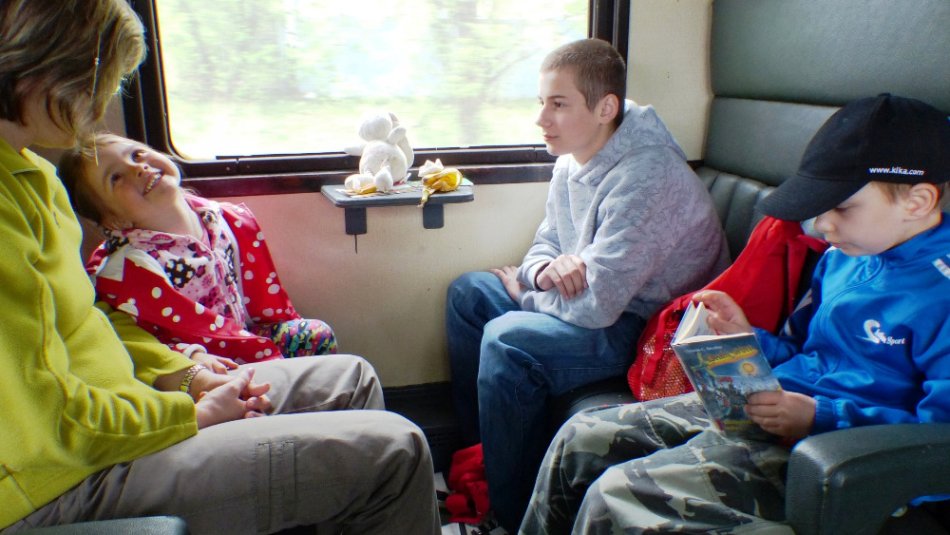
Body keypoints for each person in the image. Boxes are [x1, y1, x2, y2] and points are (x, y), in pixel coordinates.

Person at [0, 2, 439, 534]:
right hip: (56, 477)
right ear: (53, 69)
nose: (102, 101)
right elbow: (52, 418)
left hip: (120, 410)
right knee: (396, 451)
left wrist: (187, 376)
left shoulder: (32, 175)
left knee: (351, 377)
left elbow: (92, 322)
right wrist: (190, 414)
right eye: (100, 80)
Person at [519, 93, 950, 534]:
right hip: (770, 408)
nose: (823, 224)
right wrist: (746, 339)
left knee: (616, 493)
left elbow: (937, 437)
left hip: (833, 453)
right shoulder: (842, 259)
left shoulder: (939, 293)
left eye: (841, 207)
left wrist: (819, 415)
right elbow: (803, 352)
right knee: (582, 436)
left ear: (917, 201)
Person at [445, 38, 729, 531]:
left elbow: (598, 307)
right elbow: (546, 244)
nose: (541, 119)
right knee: (468, 294)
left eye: (558, 104)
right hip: (596, 302)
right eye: (541, 102)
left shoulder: (648, 177)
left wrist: (525, 293)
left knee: (508, 339)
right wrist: (540, 273)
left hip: (646, 326)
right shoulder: (571, 159)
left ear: (605, 108)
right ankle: (485, 463)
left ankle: (511, 516)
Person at [58, 133, 336, 372]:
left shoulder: (219, 218)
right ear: (114, 221)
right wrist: (192, 358)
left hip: (242, 337)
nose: (138, 168)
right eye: (116, 177)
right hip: (202, 360)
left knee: (316, 335)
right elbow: (141, 344)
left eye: (137, 154)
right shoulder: (132, 270)